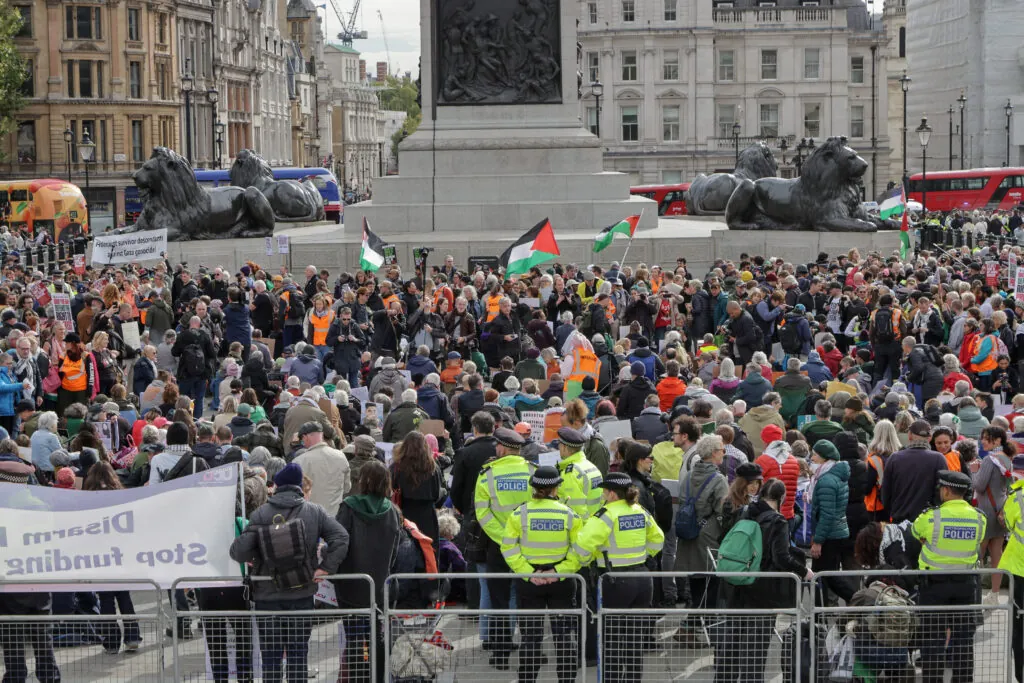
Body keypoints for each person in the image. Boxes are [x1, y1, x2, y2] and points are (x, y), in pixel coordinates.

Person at [229, 462, 350, 683]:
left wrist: (255, 551)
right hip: (302, 593)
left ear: (276, 486)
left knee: (271, 658)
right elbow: (341, 537)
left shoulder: (261, 514)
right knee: (298, 655)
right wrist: (325, 568)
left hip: (267, 595)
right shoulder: (315, 512)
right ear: (298, 486)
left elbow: (238, 552)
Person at [717, 478, 812, 683]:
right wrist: (805, 571)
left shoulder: (743, 512)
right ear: (781, 498)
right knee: (756, 646)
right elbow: (781, 557)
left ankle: (724, 679)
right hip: (762, 589)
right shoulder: (778, 521)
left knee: (732, 640)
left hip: (737, 582)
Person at [574, 471, 664, 683]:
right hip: (642, 579)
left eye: (604, 491)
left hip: (615, 580)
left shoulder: (606, 514)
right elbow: (658, 540)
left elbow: (582, 547)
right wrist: (643, 555)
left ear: (613, 494)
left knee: (611, 639)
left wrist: (589, 561)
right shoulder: (639, 510)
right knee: (634, 640)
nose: (603, 495)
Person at [500, 465, 582, 683]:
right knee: (564, 638)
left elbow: (508, 548)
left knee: (530, 638)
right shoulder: (569, 514)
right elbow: (580, 551)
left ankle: (527, 680)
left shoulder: (519, 514)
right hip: (562, 582)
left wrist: (529, 573)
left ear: (534, 488)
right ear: (555, 488)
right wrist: (558, 572)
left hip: (530, 583)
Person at [911, 470, 986, 683]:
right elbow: (979, 540)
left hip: (933, 586)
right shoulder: (979, 518)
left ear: (945, 491)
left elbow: (916, 532)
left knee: (932, 639)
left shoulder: (931, 516)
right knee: (963, 640)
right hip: (965, 585)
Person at [334, 460, 402, 683]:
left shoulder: (348, 507)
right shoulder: (393, 511)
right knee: (378, 637)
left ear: (363, 481)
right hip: (381, 585)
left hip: (351, 586)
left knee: (354, 637)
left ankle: (357, 678)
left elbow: (339, 542)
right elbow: (395, 551)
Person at [474, 427, 533, 670]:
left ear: (503, 448)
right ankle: (531, 653)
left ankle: (501, 655)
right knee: (528, 600)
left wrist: (504, 538)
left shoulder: (487, 474)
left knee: (498, 601)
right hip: (528, 546)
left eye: (497, 446)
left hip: (498, 546)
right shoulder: (533, 471)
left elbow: (483, 513)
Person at [808, 440, 854, 604]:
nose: (812, 458)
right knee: (827, 576)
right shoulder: (835, 476)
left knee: (822, 577)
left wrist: (818, 541)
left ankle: (859, 600)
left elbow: (826, 514)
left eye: (815, 454)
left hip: (829, 535)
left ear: (824, 458)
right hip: (837, 532)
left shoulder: (826, 480)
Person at [975, 425, 1015, 602]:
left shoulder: (989, 460)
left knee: (979, 554)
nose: (983, 441)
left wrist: (974, 472)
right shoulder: (1007, 458)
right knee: (997, 554)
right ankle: (995, 594)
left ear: (997, 440)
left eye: (987, 438)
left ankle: (976, 592)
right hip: (1000, 510)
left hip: (985, 510)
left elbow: (979, 486)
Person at [390, 431, 444, 546]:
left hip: (404, 513)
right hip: (427, 515)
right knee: (428, 550)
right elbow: (436, 494)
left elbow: (391, 488)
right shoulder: (433, 467)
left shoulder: (397, 467)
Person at [292, 421, 351, 517]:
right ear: (322, 435)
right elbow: (347, 487)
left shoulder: (299, 461)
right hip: (335, 515)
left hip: (310, 516)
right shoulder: (341, 456)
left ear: (305, 437)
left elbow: (294, 494)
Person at [172, 315, 217, 419]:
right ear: (199, 324)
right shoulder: (205, 335)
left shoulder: (183, 335)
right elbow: (212, 354)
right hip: (202, 373)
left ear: (189, 324)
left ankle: (184, 418)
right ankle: (196, 420)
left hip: (185, 372)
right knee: (199, 398)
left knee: (184, 398)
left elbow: (174, 352)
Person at [554, 427, 604, 519]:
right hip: (595, 521)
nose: (558, 448)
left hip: (581, 525)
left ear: (565, 448)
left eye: (559, 445)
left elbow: (575, 509)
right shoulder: (591, 467)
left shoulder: (571, 473)